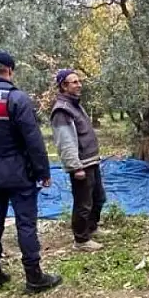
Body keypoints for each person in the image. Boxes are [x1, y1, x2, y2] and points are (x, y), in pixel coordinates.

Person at [0, 50, 62, 294]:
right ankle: (34, 277)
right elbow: (33, 139)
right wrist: (43, 171)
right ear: (9, 70)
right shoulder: (17, 98)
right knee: (25, 224)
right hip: (19, 173)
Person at [51, 68, 106, 252]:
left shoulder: (75, 104)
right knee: (83, 203)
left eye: (79, 81)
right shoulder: (62, 110)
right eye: (74, 82)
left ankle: (91, 228)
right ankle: (81, 240)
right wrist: (75, 167)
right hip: (81, 165)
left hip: (91, 161)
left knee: (98, 198)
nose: (79, 84)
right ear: (63, 86)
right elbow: (65, 141)